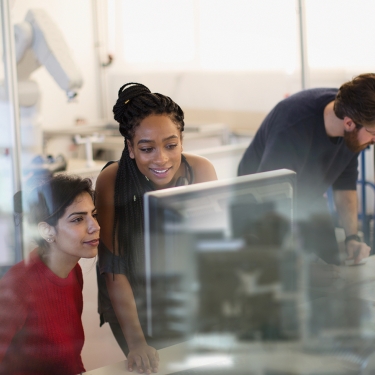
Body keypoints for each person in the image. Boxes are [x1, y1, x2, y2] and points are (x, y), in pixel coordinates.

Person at [95, 83, 217, 374]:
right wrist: (136, 341)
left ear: (182, 142)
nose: (161, 158)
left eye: (171, 145)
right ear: (131, 148)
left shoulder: (200, 172)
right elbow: (115, 270)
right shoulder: (112, 180)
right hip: (129, 299)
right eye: (147, 148)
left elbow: (210, 254)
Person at [238, 73, 374, 265]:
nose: (373, 140)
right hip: (259, 204)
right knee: (291, 276)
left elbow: (345, 186)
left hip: (307, 196)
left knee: (332, 262)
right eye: (373, 133)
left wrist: (352, 238)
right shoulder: (293, 126)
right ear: (349, 123)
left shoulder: (355, 116)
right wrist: (297, 257)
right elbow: (270, 198)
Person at [0, 174, 100, 375]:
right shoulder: (18, 286)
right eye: (78, 219)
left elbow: (70, 359)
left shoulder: (73, 272)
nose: (95, 226)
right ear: (47, 231)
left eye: (94, 215)